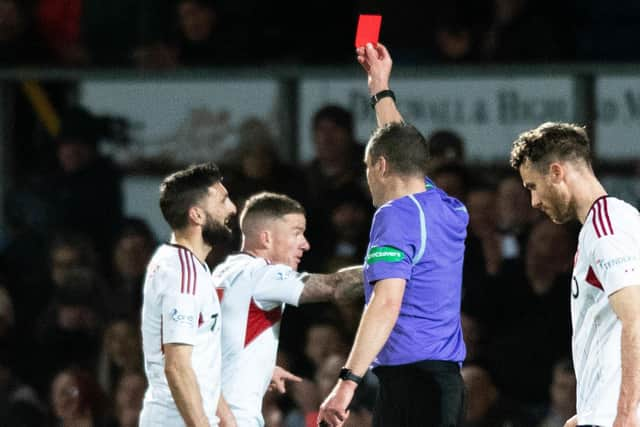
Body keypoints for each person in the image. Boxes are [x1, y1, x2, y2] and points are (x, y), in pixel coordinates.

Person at [317, 42, 468, 427]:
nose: (367, 178)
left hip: (413, 386)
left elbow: (385, 303)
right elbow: (404, 146)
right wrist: (380, 88)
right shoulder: (448, 208)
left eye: (368, 167)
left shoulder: (395, 216)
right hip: (440, 382)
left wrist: (347, 384)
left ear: (380, 166)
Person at [509, 122, 640, 426]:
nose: (534, 202)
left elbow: (635, 318)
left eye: (532, 187)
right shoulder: (606, 224)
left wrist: (623, 413)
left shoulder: (608, 227)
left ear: (556, 172)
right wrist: (591, 410)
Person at [211, 191, 364, 426]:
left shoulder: (223, 273)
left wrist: (261, 367)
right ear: (266, 238)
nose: (305, 244)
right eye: (297, 234)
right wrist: (398, 263)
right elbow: (337, 287)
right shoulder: (261, 274)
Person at [139, 162, 237, 427]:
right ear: (197, 215)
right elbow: (177, 366)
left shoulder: (185, 265)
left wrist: (225, 417)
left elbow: (197, 362)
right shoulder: (183, 274)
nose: (232, 208)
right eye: (223, 200)